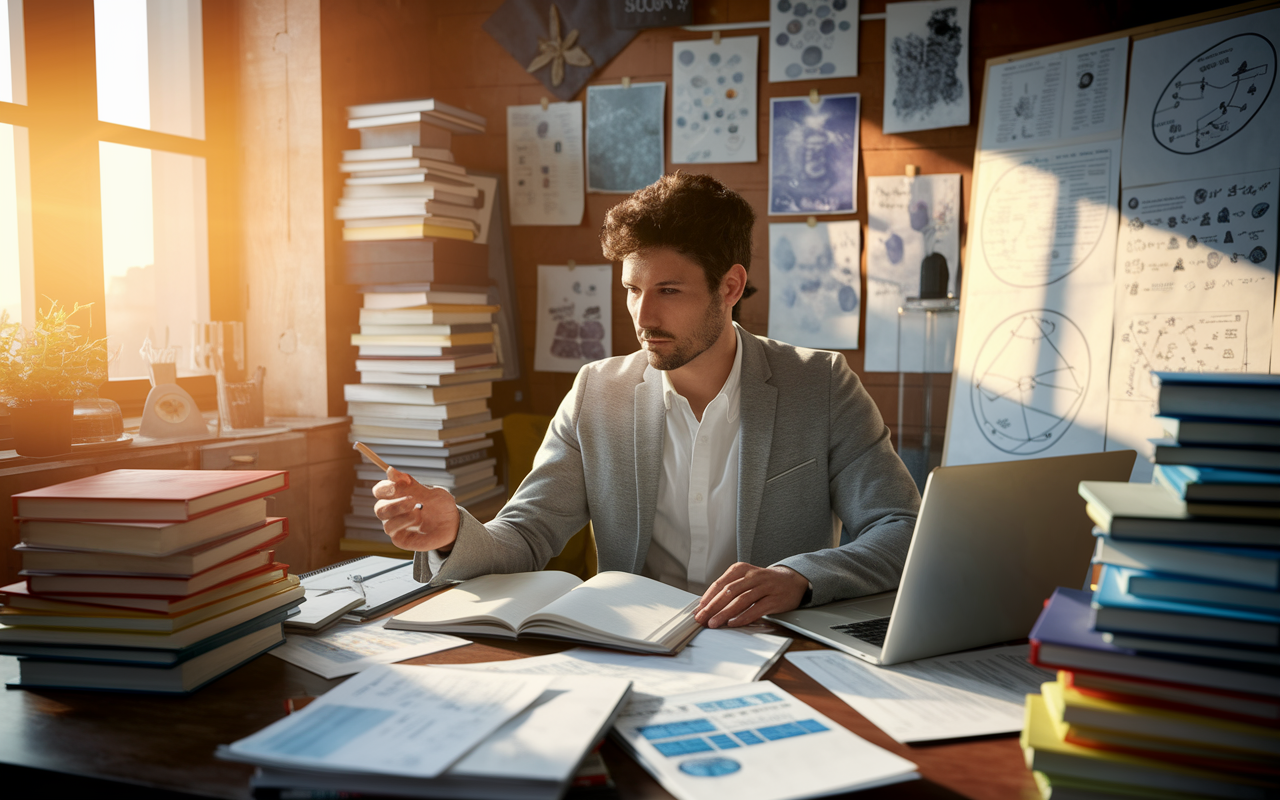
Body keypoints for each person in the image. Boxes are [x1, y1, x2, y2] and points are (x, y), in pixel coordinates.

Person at [374, 172, 920, 628]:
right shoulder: (596, 392)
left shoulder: (820, 385)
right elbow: (526, 535)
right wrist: (451, 534)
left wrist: (800, 577)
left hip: (778, 649)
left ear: (730, 287)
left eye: (668, 291)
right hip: (635, 651)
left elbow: (900, 528)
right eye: (633, 289)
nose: (642, 316)